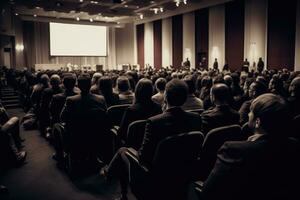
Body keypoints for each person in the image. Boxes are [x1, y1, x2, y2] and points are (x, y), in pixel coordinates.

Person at [101, 79, 202, 200]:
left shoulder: (154, 122)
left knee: (123, 150)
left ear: (165, 96)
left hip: (155, 175)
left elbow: (144, 157)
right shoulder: (196, 118)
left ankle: (116, 184)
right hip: (183, 171)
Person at [200, 94, 300, 200]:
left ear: (257, 122)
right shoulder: (295, 145)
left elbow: (208, 193)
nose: (248, 114)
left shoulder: (234, 151)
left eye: (251, 111)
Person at [117, 78, 162, 144]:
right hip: (152, 144)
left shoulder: (131, 110)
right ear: (151, 90)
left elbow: (122, 133)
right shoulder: (158, 107)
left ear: (137, 91)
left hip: (133, 145)